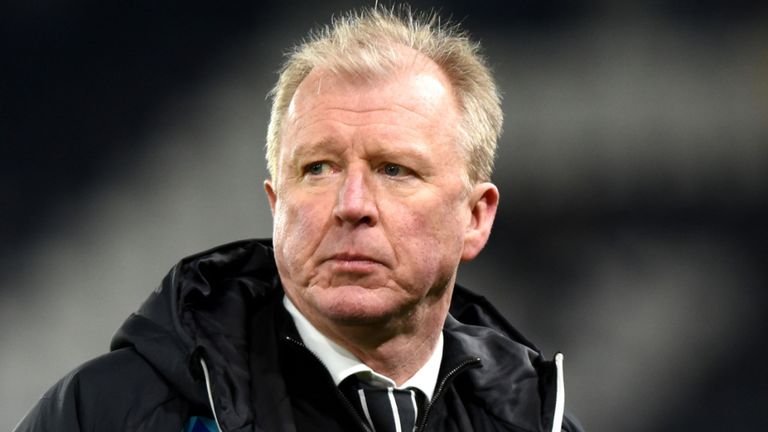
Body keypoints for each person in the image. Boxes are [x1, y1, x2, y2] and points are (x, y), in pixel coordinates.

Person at [15, 5, 583, 432]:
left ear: (475, 217)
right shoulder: (108, 412)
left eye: (394, 169)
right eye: (317, 168)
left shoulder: (536, 422)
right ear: (276, 204)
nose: (351, 204)